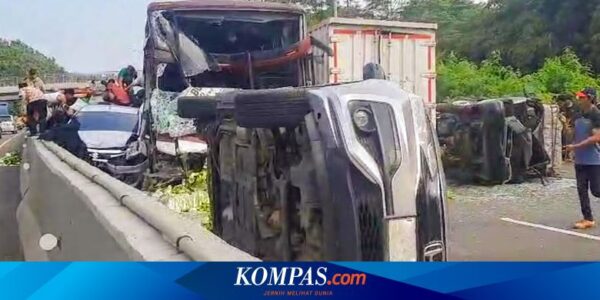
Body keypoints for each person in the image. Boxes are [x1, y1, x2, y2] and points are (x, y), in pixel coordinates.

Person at [565, 87, 600, 229]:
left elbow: (597, 137)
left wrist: (576, 146)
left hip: (594, 159)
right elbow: (573, 132)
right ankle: (588, 218)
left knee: (597, 191)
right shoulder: (577, 114)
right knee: (581, 189)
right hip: (580, 159)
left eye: (582, 97)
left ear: (590, 98)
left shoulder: (596, 115)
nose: (579, 100)